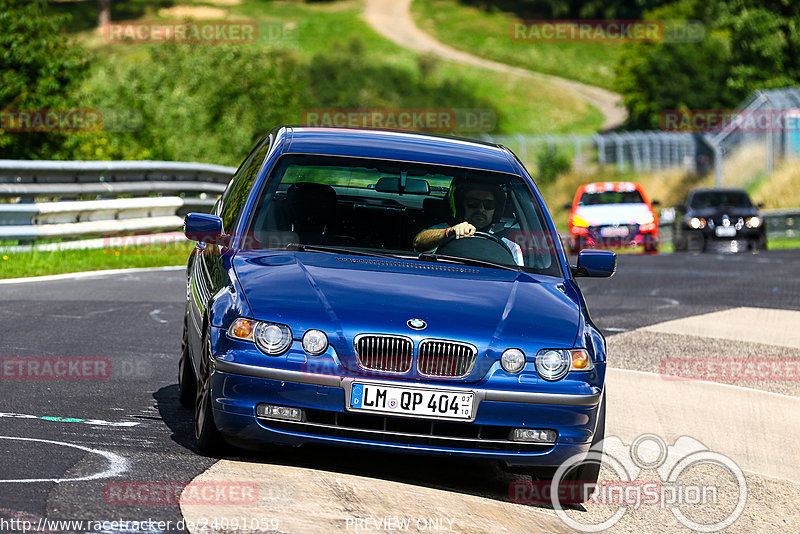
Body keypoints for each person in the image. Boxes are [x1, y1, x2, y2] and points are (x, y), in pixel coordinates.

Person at [413, 181, 524, 266]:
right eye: (473, 203)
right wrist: (450, 232)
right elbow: (418, 243)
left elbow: (517, 278)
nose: (481, 209)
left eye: (488, 205)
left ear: (496, 210)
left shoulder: (510, 247)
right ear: (462, 207)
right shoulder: (445, 230)